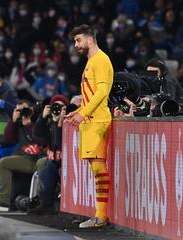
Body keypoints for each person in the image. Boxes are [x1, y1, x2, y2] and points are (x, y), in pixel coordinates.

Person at [65, 25, 113, 228]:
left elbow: (102, 92)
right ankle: (99, 215)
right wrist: (79, 111)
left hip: (97, 120)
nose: (76, 45)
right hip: (90, 119)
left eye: (78, 40)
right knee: (96, 168)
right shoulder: (91, 62)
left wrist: (84, 113)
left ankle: (101, 216)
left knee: (99, 167)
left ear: (90, 39)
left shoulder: (100, 60)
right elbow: (92, 94)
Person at [0, 100, 42, 212]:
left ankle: (39, 202)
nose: (22, 113)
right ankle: (4, 201)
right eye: (18, 110)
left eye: (24, 110)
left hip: (40, 158)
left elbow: (40, 141)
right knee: (3, 162)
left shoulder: (38, 120)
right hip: (28, 159)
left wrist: (29, 125)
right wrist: (13, 121)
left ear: (31, 110)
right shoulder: (18, 123)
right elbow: (7, 141)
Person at [30, 95, 68, 214]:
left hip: (68, 162)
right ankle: (45, 203)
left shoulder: (70, 121)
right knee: (49, 166)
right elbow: (37, 135)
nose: (57, 109)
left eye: (61, 106)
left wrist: (60, 123)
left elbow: (59, 142)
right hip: (55, 161)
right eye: (54, 106)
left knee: (52, 167)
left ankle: (50, 204)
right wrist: (42, 117)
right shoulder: (48, 122)